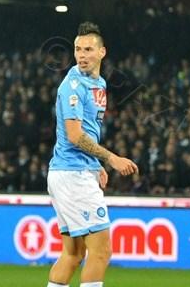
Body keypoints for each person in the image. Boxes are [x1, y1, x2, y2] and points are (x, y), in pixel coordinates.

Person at [47, 22, 139, 287]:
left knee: (73, 254)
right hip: (73, 174)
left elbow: (88, 131)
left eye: (88, 49)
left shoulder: (99, 83)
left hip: (71, 171)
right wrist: (110, 158)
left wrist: (95, 163)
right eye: (78, 49)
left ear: (102, 52)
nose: (81, 55)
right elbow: (75, 136)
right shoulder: (73, 86)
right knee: (101, 252)